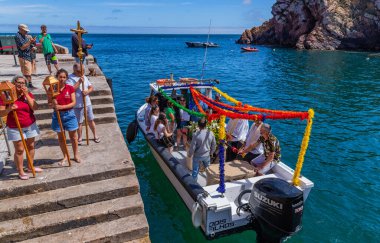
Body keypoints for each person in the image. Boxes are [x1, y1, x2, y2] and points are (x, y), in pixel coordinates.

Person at [0, 75, 40, 180]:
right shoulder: (6, 95)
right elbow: (1, 113)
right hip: (15, 127)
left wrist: (27, 94)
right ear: (14, 83)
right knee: (19, 150)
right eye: (18, 82)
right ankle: (20, 170)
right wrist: (9, 109)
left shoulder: (27, 94)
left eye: (23, 83)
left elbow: (35, 107)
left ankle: (30, 167)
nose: (21, 85)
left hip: (30, 124)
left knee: (31, 146)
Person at [49, 69, 81, 165]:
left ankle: (76, 155)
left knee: (74, 137)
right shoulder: (52, 89)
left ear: (66, 78)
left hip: (69, 114)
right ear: (57, 77)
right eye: (60, 77)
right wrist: (53, 104)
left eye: (64, 77)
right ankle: (65, 156)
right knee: (61, 138)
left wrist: (61, 106)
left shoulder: (70, 88)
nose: (62, 79)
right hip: (57, 115)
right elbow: (49, 103)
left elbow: (73, 102)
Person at [67, 63, 100, 144]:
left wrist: (87, 91)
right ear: (74, 70)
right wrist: (79, 82)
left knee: (91, 120)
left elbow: (91, 87)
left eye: (83, 71)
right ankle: (80, 137)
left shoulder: (84, 76)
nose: (82, 72)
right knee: (79, 122)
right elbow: (71, 90)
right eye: (79, 71)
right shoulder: (69, 78)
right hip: (77, 105)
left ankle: (95, 135)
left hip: (87, 103)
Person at [14, 24, 37, 89]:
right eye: (25, 30)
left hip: (28, 56)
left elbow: (27, 46)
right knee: (27, 73)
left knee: (29, 72)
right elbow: (22, 47)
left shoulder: (25, 36)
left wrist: (32, 47)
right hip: (23, 56)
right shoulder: (17, 36)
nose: (26, 32)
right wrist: (30, 42)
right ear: (20, 29)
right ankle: (27, 85)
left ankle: (29, 84)